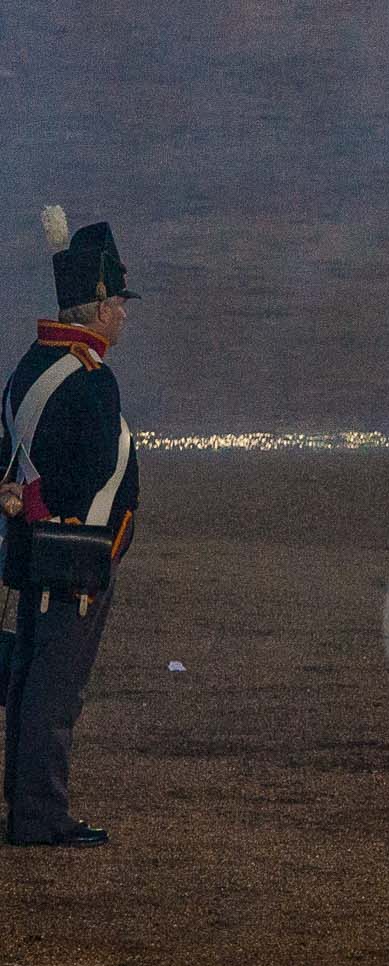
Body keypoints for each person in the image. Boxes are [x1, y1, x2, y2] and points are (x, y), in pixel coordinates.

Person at [1, 207, 142, 848]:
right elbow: (86, 479)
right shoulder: (89, 381)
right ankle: (39, 815)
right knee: (54, 694)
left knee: (32, 678)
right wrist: (88, 557)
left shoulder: (29, 365)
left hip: (36, 552)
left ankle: (30, 808)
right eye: (117, 302)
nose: (124, 314)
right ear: (96, 305)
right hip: (73, 559)